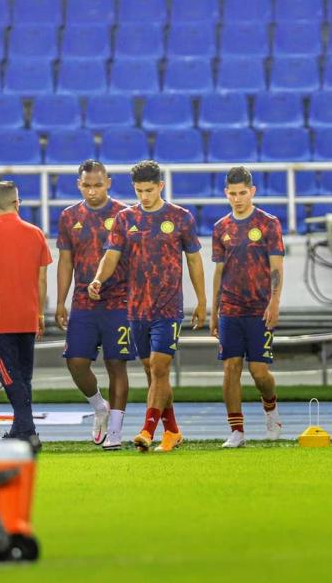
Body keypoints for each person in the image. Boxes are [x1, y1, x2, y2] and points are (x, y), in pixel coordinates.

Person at [89, 160, 207, 452]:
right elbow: (111, 256)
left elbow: (194, 260)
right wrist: (97, 280)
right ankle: (173, 432)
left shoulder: (180, 218)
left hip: (168, 307)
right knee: (152, 371)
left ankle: (147, 430)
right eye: (140, 190)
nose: (145, 196)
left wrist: (203, 300)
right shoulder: (125, 219)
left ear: (161, 186)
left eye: (150, 190)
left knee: (159, 366)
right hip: (137, 307)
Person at [55, 160, 134, 450]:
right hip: (83, 301)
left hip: (119, 300)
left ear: (109, 183)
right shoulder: (68, 216)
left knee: (117, 365)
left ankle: (115, 431)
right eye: (87, 185)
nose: (92, 191)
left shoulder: (126, 215)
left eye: (97, 185)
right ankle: (99, 406)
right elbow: (65, 261)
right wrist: (61, 301)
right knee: (75, 362)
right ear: (79, 185)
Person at [211, 167, 284, 449]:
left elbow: (277, 267)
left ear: (252, 192)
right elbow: (219, 271)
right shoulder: (220, 228)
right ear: (225, 194)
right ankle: (237, 430)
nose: (238, 198)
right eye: (233, 193)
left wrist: (274, 302)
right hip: (230, 307)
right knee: (230, 367)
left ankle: (271, 409)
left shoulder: (268, 223)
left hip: (259, 307)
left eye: (243, 193)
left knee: (259, 372)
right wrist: (215, 310)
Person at [0, 181, 51, 447]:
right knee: (23, 378)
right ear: (17, 202)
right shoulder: (35, 234)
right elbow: (41, 278)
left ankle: (29, 430)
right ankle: (22, 431)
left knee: (10, 379)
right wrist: (40, 314)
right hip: (28, 316)